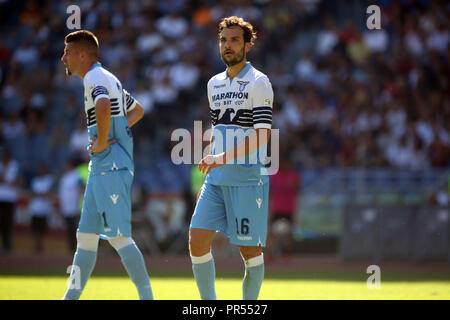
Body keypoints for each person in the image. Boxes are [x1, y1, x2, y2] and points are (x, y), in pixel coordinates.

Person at [60, 30, 153, 300]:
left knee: (119, 237)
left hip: (109, 165)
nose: (63, 57)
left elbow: (101, 104)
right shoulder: (107, 77)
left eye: (67, 52)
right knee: (86, 238)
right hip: (103, 167)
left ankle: (149, 298)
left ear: (81, 55)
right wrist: (115, 135)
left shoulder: (94, 78)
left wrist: (102, 141)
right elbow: (137, 110)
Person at [189, 16, 274, 300]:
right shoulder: (213, 84)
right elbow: (220, 129)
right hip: (217, 178)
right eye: (224, 40)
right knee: (197, 240)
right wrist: (212, 156)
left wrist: (223, 157)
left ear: (247, 46)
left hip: (247, 179)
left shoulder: (259, 82)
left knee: (249, 252)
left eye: (235, 40)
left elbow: (262, 135)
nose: (228, 45)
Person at [58, 159, 84, 253]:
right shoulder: (64, 177)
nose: (65, 166)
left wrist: (80, 205)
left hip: (74, 207)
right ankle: (71, 248)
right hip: (66, 207)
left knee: (75, 229)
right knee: (69, 229)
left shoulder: (77, 176)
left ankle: (77, 248)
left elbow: (82, 189)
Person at [29, 163, 54, 253]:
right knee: (35, 229)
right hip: (35, 209)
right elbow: (32, 193)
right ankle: (36, 245)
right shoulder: (35, 180)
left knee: (42, 229)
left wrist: (38, 194)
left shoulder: (49, 180)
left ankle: (40, 245)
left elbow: (48, 193)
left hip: (44, 209)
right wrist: (41, 194)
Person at [0, 149, 19, 253]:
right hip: (1, 197)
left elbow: (16, 181)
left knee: (8, 222)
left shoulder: (14, 165)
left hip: (10, 198)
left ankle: (7, 244)